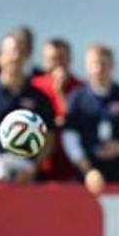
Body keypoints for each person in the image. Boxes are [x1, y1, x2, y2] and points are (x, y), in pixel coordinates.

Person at [0, 34, 56, 188]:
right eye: (11, 51)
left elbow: (50, 139)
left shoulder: (40, 98)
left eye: (21, 52)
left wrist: (32, 168)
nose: (16, 56)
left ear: (27, 57)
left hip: (28, 185)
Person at [62, 44, 119, 194]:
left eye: (104, 64)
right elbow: (70, 139)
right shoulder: (77, 98)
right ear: (87, 66)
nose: (99, 69)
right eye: (94, 64)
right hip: (88, 182)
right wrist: (89, 171)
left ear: (112, 66)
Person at [31, 37, 85, 182]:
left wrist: (60, 93)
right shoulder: (35, 86)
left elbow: (71, 121)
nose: (57, 64)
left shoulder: (81, 88)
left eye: (61, 58)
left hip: (72, 165)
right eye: (52, 59)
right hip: (41, 165)